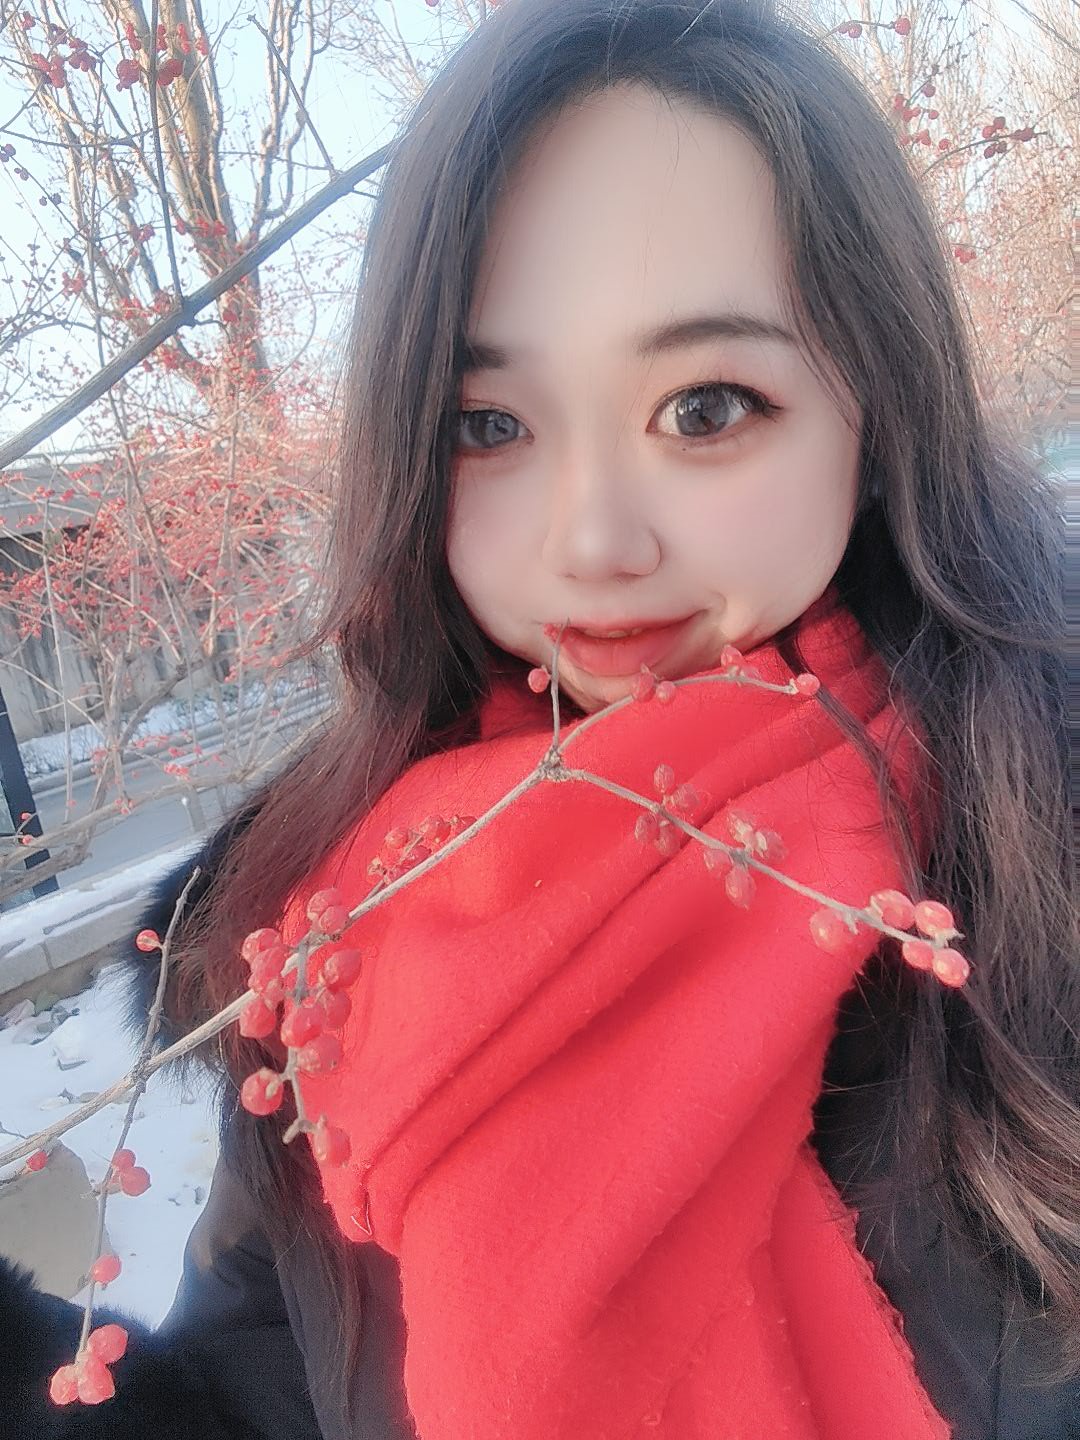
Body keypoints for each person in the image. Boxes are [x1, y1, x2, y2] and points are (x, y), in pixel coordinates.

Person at [5, 1, 1077, 1436]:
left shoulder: (1037, 869)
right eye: (488, 426)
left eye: (707, 407)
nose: (592, 544)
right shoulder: (335, 934)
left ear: (876, 410)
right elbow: (259, 1393)